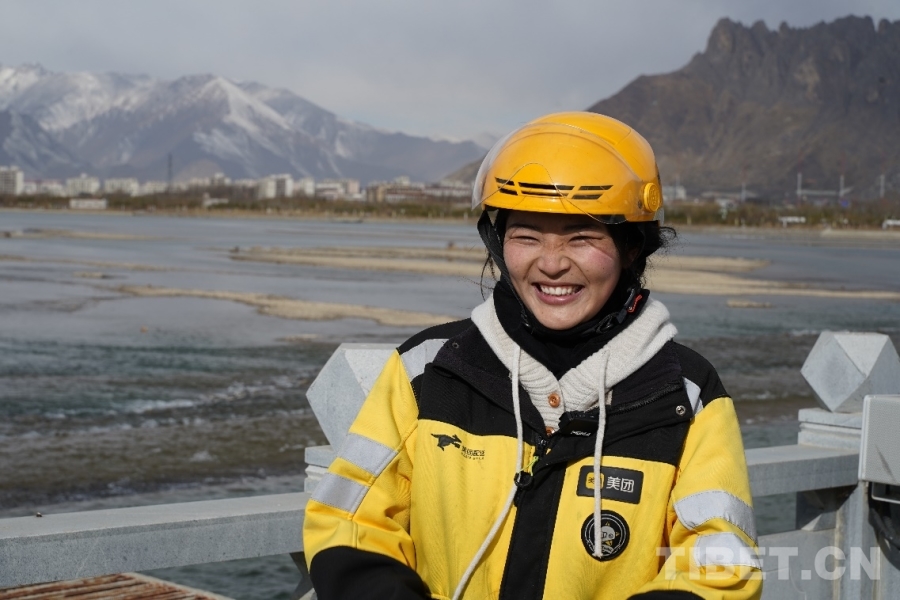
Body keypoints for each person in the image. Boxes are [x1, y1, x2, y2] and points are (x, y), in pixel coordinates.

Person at [303, 112, 762, 600]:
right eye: (527, 235)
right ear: (498, 243)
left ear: (632, 247)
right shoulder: (430, 370)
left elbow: (720, 566)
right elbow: (349, 521)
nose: (552, 263)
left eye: (581, 237)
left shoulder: (684, 394)